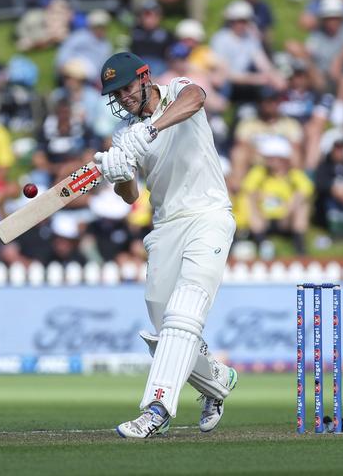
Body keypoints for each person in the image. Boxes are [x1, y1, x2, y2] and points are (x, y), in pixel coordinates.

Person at [96, 52, 237, 438]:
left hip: (208, 216)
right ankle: (217, 381)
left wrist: (153, 128)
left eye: (126, 88)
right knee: (164, 330)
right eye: (115, 93)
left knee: (184, 314)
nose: (122, 98)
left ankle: (157, 409)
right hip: (165, 227)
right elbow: (130, 196)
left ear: (145, 78)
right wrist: (119, 174)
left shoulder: (176, 91)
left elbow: (198, 98)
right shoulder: (124, 133)